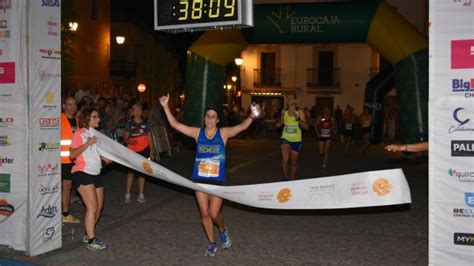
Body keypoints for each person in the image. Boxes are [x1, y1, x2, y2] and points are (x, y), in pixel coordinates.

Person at [159, 93, 257, 257]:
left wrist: (253, 115)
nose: (210, 119)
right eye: (208, 116)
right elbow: (175, 125)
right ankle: (212, 243)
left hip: (217, 181)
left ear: (217, 120)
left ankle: (222, 229)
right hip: (199, 179)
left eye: (213, 117)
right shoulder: (197, 133)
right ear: (204, 118)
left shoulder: (223, 134)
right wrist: (165, 106)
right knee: (204, 214)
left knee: (214, 214)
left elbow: (242, 127)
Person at [70, 108, 112, 251]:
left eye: (98, 116)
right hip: (82, 173)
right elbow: (72, 154)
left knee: (99, 207)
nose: (98, 119)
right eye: (95, 117)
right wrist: (88, 143)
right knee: (92, 207)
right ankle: (92, 242)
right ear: (87, 119)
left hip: (95, 173)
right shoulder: (79, 133)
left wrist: (103, 158)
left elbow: (91, 154)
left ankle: (88, 235)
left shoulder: (95, 134)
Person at [123, 104, 155, 203]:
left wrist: (152, 152)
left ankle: (141, 194)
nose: (137, 112)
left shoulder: (146, 124)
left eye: (139, 110)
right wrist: (130, 142)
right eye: (135, 110)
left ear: (141, 112)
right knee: (131, 173)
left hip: (144, 150)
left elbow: (150, 139)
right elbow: (125, 139)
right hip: (132, 151)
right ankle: (127, 194)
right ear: (132, 112)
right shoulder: (129, 124)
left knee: (142, 173)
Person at [277, 93, 309, 180]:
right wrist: (278, 123)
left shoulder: (300, 112)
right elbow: (281, 123)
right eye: (287, 98)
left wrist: (297, 118)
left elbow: (306, 127)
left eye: (290, 98)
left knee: (293, 163)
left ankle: (292, 179)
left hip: (296, 140)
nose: (288, 100)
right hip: (285, 138)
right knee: (285, 159)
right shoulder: (284, 111)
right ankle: (285, 177)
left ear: (295, 100)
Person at [60, 96, 80, 224]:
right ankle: (60, 213)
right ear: (64, 106)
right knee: (62, 187)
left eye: (74, 105)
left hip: (74, 158)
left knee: (68, 186)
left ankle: (65, 212)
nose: (72, 107)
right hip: (61, 159)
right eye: (69, 104)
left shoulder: (77, 120)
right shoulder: (58, 119)